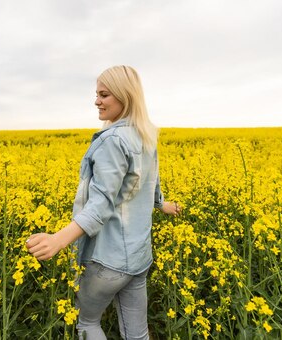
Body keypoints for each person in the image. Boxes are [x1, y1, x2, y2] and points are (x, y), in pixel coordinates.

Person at [26, 65, 180, 339]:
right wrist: (162, 204)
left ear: (125, 95)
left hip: (107, 260)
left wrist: (58, 240)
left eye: (104, 95)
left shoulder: (112, 141)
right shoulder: (146, 136)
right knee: (137, 334)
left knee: (87, 323)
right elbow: (150, 180)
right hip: (139, 257)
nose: (96, 101)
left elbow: (100, 204)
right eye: (97, 94)